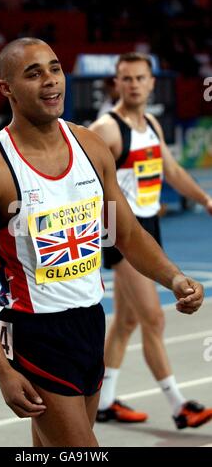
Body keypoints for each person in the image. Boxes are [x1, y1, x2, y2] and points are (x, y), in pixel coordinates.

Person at [0, 39, 204, 447]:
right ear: (6, 89)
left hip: (90, 321)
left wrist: (174, 278)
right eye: (33, 73)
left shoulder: (91, 147)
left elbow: (127, 233)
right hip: (36, 333)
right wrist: (1, 369)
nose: (50, 81)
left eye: (54, 69)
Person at [89, 52, 212, 429]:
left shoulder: (152, 125)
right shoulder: (105, 130)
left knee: (126, 321)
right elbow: (83, 181)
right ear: (117, 83)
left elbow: (171, 170)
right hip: (122, 232)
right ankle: (179, 406)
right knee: (154, 319)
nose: (134, 85)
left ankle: (104, 402)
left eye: (140, 78)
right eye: (126, 78)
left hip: (149, 226)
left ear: (152, 82)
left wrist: (205, 200)